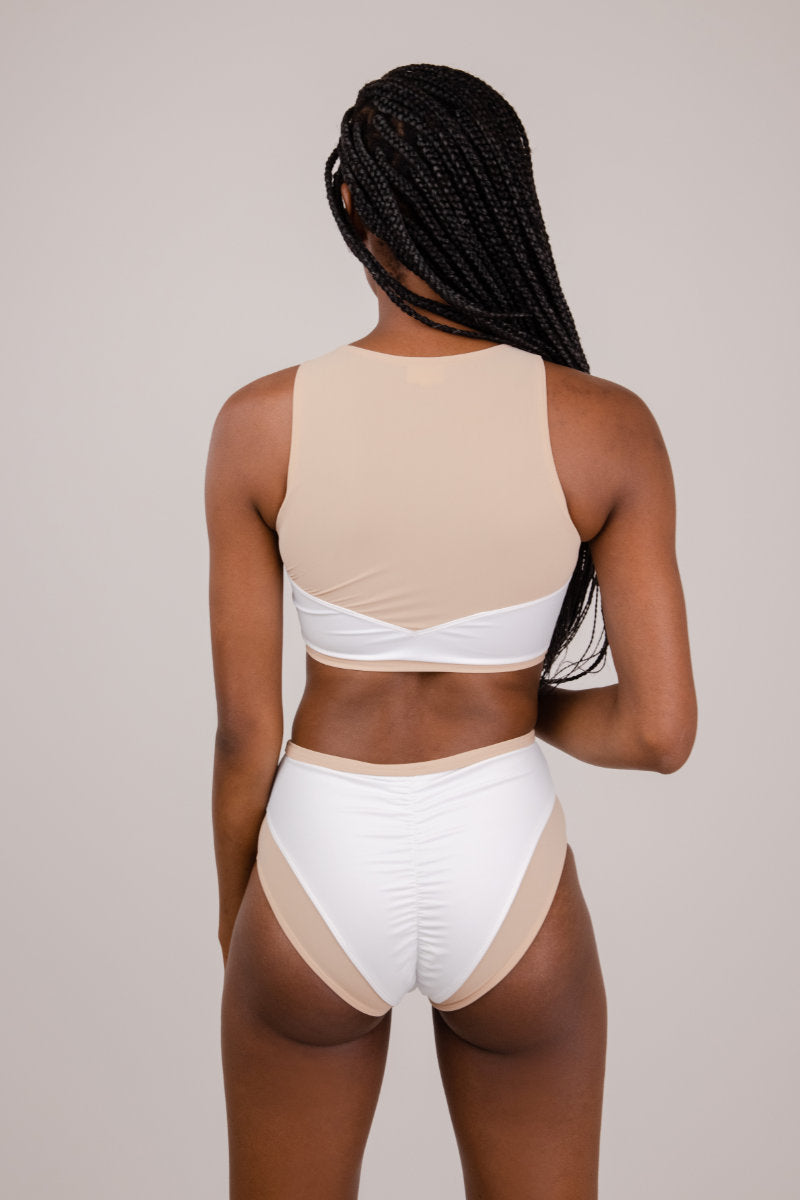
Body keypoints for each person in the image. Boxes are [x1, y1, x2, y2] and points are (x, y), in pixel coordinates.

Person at [204, 63, 697, 1200]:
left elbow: (244, 737)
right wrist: (515, 699)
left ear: (349, 204)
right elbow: (662, 732)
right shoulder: (605, 428)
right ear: (507, 198)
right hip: (503, 850)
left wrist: (242, 924)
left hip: (317, 854)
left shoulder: (258, 424)